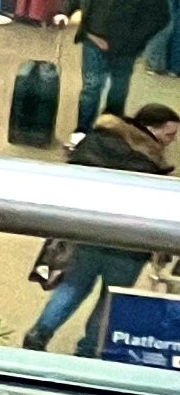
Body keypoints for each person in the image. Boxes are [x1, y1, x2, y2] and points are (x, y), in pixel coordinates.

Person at [24, 103, 177, 354]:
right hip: (127, 245)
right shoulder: (148, 163)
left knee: (73, 287)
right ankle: (89, 348)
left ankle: (38, 333)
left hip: (85, 232)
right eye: (169, 134)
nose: (171, 141)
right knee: (109, 298)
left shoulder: (96, 141)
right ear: (150, 129)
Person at [59, 0, 170, 138]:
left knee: (118, 89)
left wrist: (135, 40)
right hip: (92, 40)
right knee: (91, 88)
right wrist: (64, 12)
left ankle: (109, 129)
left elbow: (159, 15)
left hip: (125, 49)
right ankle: (82, 130)